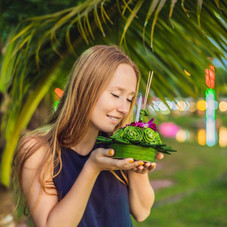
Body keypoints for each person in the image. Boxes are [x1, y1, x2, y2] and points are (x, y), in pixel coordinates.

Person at [13, 45, 164, 227]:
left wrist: (137, 166)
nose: (124, 108)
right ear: (85, 89)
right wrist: (92, 168)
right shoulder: (38, 149)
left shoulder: (118, 145)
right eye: (116, 95)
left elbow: (142, 212)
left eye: (129, 98)